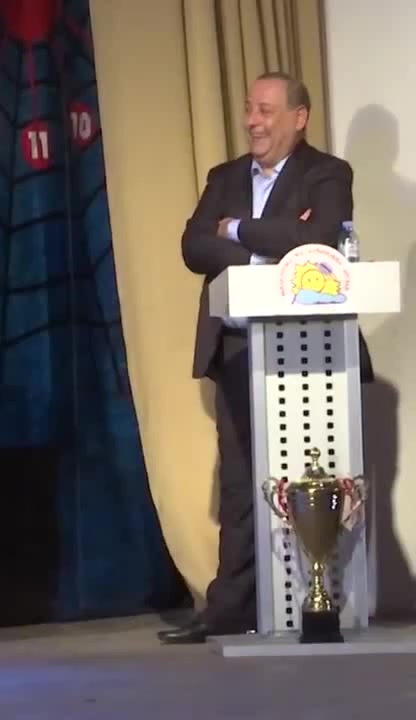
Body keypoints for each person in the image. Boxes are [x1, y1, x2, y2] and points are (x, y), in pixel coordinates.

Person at [166, 71, 373, 644]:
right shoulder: (224, 176)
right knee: (239, 485)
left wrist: (234, 230)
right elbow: (193, 246)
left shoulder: (327, 173)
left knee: (312, 477)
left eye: (265, 110)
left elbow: (321, 239)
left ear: (299, 118)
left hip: (312, 354)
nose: (252, 122)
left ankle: (322, 602)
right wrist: (274, 244)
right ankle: (229, 611)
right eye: (249, 109)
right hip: (237, 351)